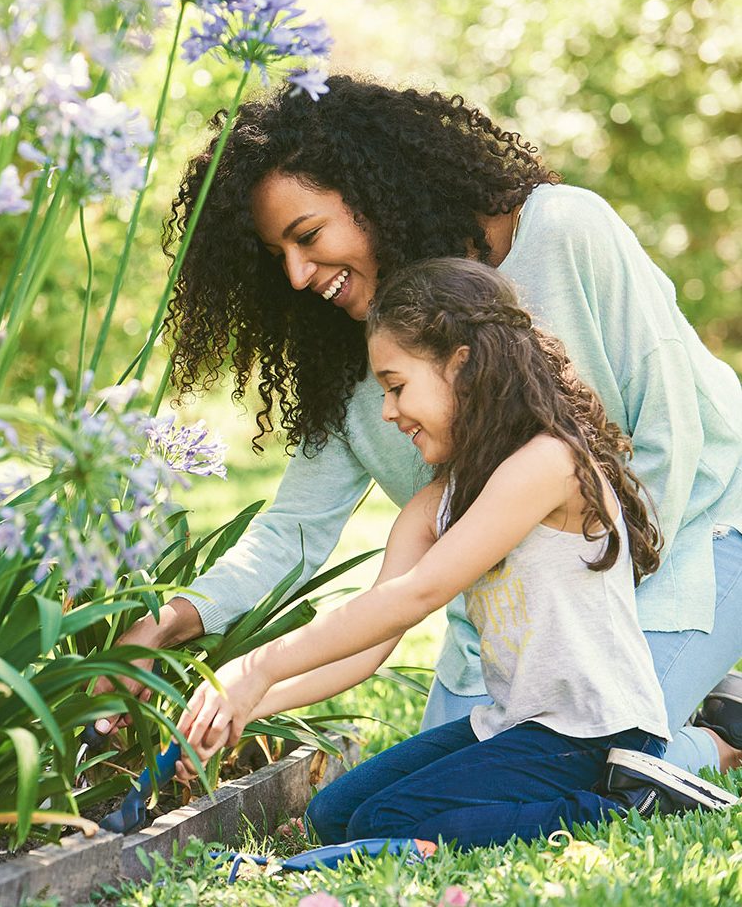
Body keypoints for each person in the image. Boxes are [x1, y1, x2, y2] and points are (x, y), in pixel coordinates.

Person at [97, 75, 742, 777]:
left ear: (374, 193)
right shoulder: (357, 368)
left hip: (693, 540)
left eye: (307, 236)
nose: (295, 274)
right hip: (518, 617)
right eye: (275, 255)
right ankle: (694, 701)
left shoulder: (561, 231)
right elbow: (292, 534)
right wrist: (169, 622)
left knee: (595, 764)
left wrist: (594, 632)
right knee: (438, 778)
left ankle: (717, 742)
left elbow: (673, 440)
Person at [175, 259, 736, 848]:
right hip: (515, 725)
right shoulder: (435, 503)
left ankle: (635, 803)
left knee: (384, 824)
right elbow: (369, 642)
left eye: (396, 386)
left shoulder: (550, 463)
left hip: (595, 732)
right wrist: (246, 706)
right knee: (334, 815)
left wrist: (257, 666)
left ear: (461, 365)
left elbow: (419, 594)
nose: (387, 410)